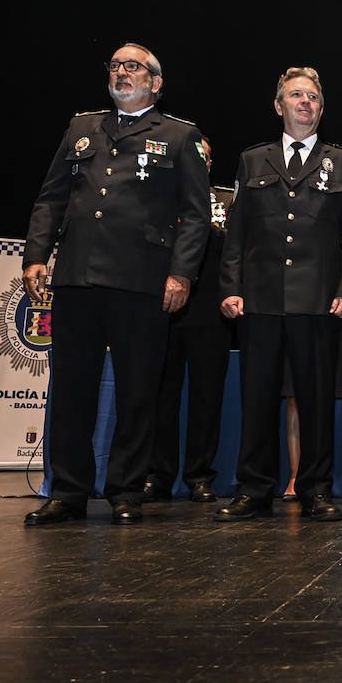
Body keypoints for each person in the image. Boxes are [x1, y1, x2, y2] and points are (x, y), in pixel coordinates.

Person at [22, 42, 210, 526]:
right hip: (78, 276)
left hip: (142, 281)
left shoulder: (178, 136)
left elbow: (195, 215)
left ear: (156, 82)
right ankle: (67, 491)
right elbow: (51, 198)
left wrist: (181, 273)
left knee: (138, 390)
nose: (123, 73)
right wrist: (37, 255)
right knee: (72, 389)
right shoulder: (82, 128)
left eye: (135, 67)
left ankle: (126, 490)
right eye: (116, 66)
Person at [216, 67, 342, 522]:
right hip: (260, 300)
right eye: (295, 96)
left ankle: (316, 489)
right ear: (279, 106)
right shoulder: (252, 159)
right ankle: (254, 489)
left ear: (321, 108)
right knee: (256, 397)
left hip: (319, 300)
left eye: (313, 97)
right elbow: (236, 234)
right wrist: (230, 287)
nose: (305, 102)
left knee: (316, 399)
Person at [144, 137, 233, 505]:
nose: (200, 162)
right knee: (158, 397)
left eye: (206, 158)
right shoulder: (157, 195)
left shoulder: (227, 200)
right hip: (160, 311)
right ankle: (157, 475)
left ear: (211, 165)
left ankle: (199, 475)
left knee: (206, 399)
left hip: (211, 313)